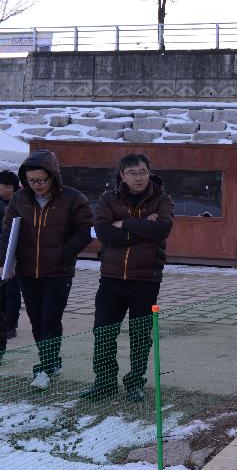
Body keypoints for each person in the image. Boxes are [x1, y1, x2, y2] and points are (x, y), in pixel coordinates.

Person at [80, 154, 174, 403]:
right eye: (132, 172)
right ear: (122, 175)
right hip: (111, 279)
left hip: (146, 280)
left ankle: (135, 383)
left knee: (141, 335)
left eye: (142, 171)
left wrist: (125, 223)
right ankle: (105, 382)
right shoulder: (108, 199)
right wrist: (142, 226)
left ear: (149, 172)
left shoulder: (161, 199)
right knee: (103, 333)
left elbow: (162, 229)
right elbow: (104, 232)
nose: (138, 177)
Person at [0, 150, 93, 390]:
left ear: (53, 176)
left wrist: (64, 253)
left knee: (50, 319)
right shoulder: (20, 200)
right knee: (35, 320)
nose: (37, 185)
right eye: (31, 181)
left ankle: (46, 366)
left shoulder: (72, 198)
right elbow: (8, 233)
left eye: (41, 180)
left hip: (58, 272)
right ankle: (51, 361)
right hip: (27, 271)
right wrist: (5, 262)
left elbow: (84, 230)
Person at [0, 170, 22, 339]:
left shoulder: (22, 204)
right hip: (1, 251)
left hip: (15, 254)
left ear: (10, 187)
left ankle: (10, 324)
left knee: (12, 290)